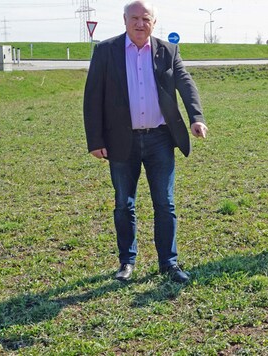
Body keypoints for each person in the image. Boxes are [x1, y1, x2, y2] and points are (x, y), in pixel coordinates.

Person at [83, 0, 208, 282]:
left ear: (154, 22)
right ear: (125, 20)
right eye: (135, 18)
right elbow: (92, 97)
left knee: (165, 203)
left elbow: (186, 84)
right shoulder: (106, 51)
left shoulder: (167, 50)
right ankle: (126, 262)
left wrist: (196, 117)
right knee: (123, 203)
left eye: (146, 18)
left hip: (160, 139)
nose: (140, 23)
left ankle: (169, 263)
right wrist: (95, 140)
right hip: (120, 141)